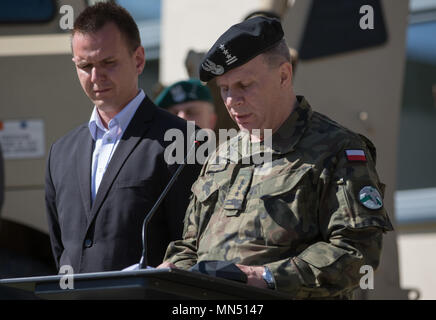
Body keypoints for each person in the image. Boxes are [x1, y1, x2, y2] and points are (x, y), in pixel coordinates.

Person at [158, 16, 393, 299]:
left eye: (244, 85)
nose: (232, 101)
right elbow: (188, 246)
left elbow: (359, 251)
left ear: (284, 75)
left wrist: (268, 278)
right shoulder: (221, 155)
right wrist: (174, 275)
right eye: (224, 89)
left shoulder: (337, 149)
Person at [45, 2, 200, 273]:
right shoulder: (61, 153)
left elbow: (193, 247)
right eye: (85, 65)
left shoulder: (185, 141)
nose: (96, 77)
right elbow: (62, 252)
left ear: (139, 59)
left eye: (108, 63)